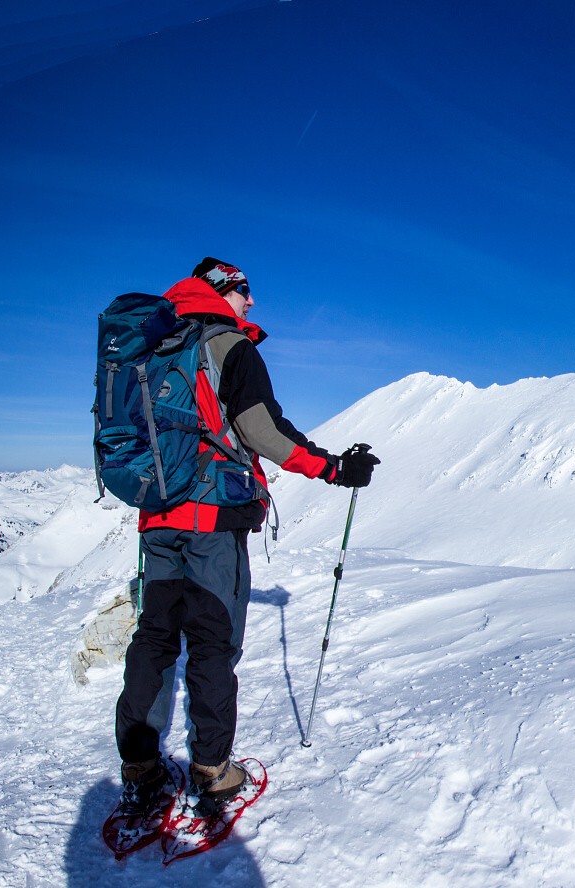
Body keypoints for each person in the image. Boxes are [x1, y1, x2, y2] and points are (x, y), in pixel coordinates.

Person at [113, 258, 378, 818]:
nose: (252, 302)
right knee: (212, 643)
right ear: (219, 291)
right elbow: (263, 431)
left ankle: (139, 766)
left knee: (155, 638)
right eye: (243, 290)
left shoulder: (154, 346)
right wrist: (333, 468)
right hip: (211, 516)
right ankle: (212, 770)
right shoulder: (229, 346)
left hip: (156, 516)